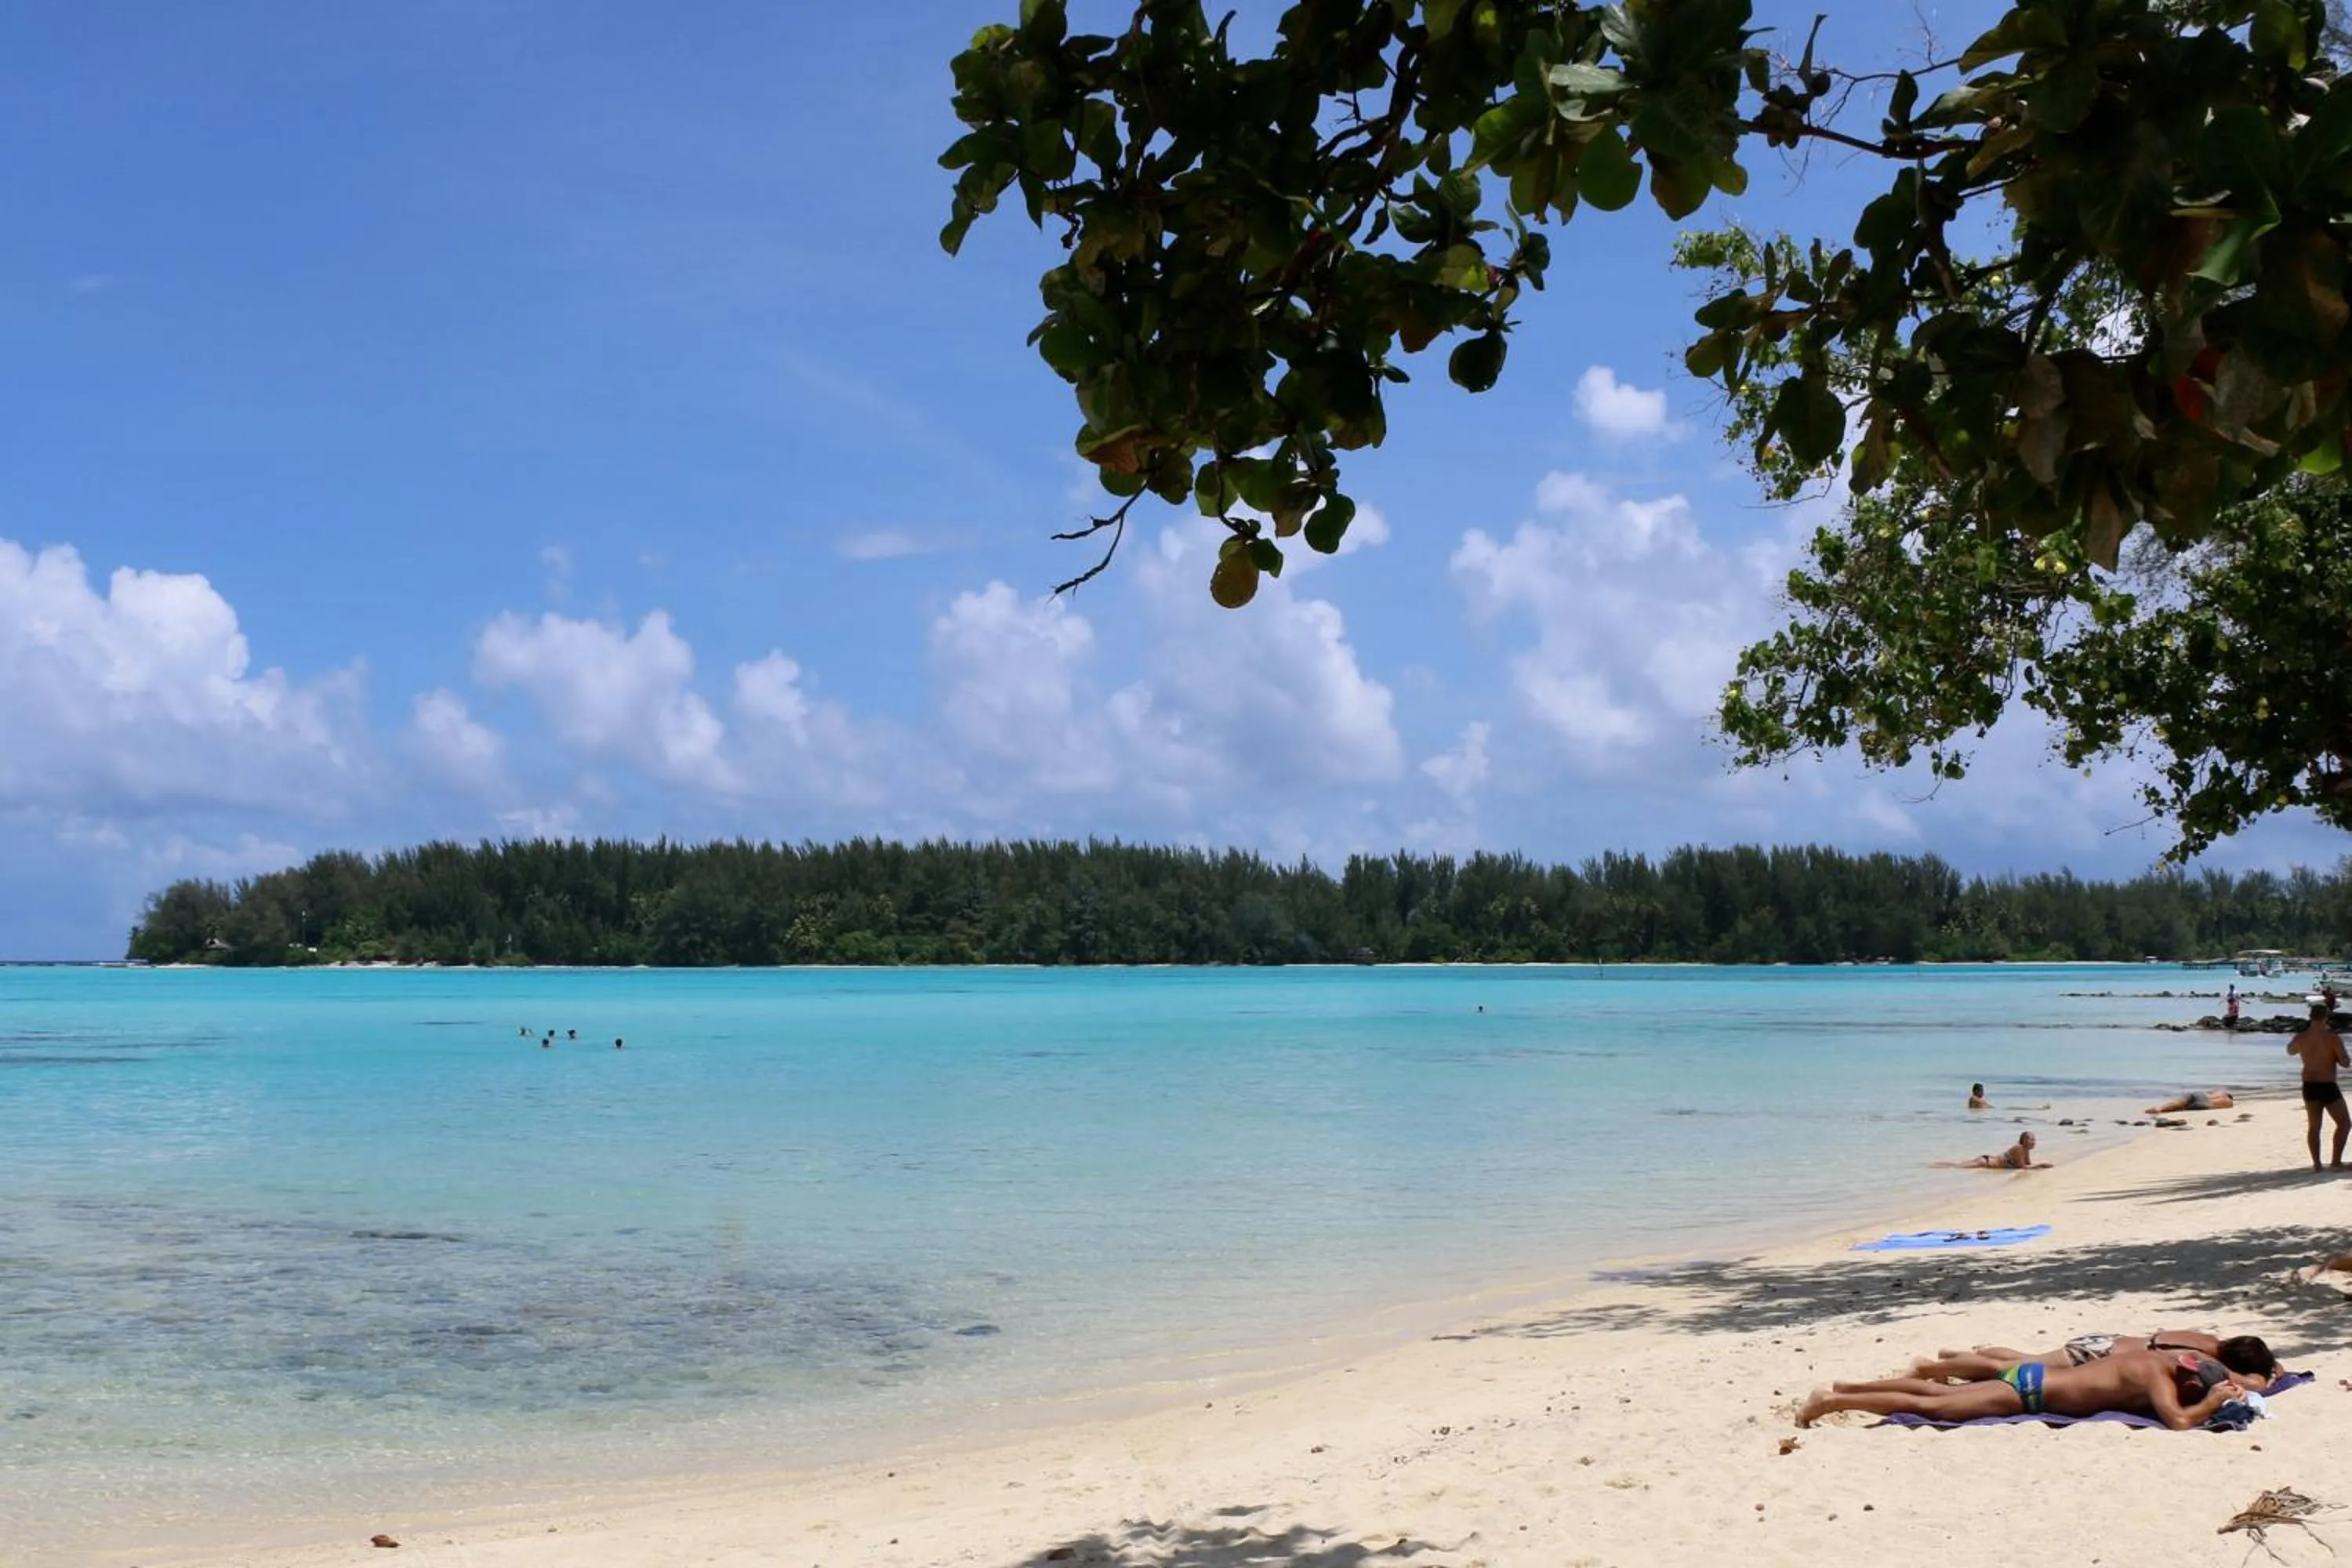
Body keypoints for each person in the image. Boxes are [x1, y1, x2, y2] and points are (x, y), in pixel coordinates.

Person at [1798, 1348, 2242, 1429]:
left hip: (2030, 1375)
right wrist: (2214, 1401)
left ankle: (1852, 1386)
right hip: (2029, 1394)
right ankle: (1836, 1401)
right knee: (1931, 1406)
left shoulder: (2154, 1360)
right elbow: (2180, 1421)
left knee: (1935, 1394)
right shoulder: (2159, 1380)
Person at [1911, 1333, 2278, 1390]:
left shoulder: (2204, 1337)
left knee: (2028, 1359)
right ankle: (1932, 1367)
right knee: (2016, 1370)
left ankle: (1954, 1358)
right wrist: (2270, 1376)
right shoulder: (2201, 1356)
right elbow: (2252, 1384)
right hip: (2100, 1356)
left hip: (2106, 1340)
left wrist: (2273, 1363)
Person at [2288, 999, 2350, 1170]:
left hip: (2309, 1084)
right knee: (2344, 1123)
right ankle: (2336, 1161)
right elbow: (2345, 1062)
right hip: (2328, 1085)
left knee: (2314, 1126)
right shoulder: (2332, 1038)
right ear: (2326, 1017)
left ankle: (2317, 1164)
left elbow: (2290, 1051)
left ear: (2310, 1017)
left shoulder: (2301, 1037)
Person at [1935, 1131, 2047, 1170]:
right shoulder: (2018, 1148)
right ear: (2023, 1140)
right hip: (1985, 1163)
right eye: (2031, 1140)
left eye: (2034, 1140)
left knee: (1957, 1165)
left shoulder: (2025, 1150)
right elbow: (2023, 1168)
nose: (2033, 1142)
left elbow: (2027, 1165)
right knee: (1956, 1166)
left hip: (1987, 1161)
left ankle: (1936, 1165)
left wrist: (2039, 1166)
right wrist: (2041, 1165)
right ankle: (1933, 1165)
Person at [2144, 1090, 2234, 1114]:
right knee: (2182, 1108)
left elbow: (2217, 1091)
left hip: (2203, 1096)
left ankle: (2159, 1109)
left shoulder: (2222, 1093)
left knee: (2179, 1103)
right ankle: (2161, 1110)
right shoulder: (2229, 1103)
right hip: (2206, 1106)